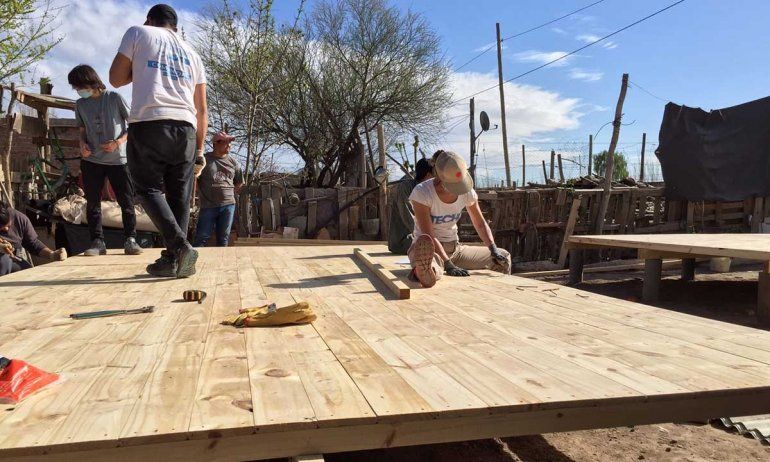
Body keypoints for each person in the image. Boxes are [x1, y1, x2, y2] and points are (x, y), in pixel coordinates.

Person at [109, 4, 208, 278]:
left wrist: (139, 70)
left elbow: (115, 79)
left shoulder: (139, 33)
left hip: (150, 121)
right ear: (175, 26)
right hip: (186, 128)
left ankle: (179, 246)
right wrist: (200, 150)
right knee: (180, 195)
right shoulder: (193, 53)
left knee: (147, 188)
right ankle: (172, 260)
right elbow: (202, 110)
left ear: (150, 20)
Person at [68, 64, 143, 257]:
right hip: (92, 160)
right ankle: (97, 241)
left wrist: (118, 142)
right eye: (75, 88)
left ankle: (130, 239)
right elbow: (82, 130)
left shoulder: (114, 98)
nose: (78, 91)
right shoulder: (80, 104)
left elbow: (133, 125)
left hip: (118, 160)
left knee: (126, 200)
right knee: (92, 202)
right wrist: (82, 145)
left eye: (79, 86)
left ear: (89, 82)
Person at [408, 150, 511, 288]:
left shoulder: (467, 191)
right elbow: (429, 235)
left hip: (455, 249)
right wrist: (448, 264)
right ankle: (422, 271)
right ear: (438, 175)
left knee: (504, 257)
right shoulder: (422, 193)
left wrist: (493, 249)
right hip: (427, 249)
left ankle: (500, 296)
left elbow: (480, 223)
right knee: (433, 269)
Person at [193, 131, 243, 247]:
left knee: (223, 238)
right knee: (202, 236)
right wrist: (199, 191)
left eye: (230, 143)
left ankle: (222, 262)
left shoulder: (233, 162)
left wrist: (228, 192)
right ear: (215, 144)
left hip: (228, 205)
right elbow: (194, 179)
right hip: (208, 205)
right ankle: (193, 262)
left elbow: (239, 182)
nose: (229, 145)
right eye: (226, 142)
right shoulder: (204, 160)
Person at [0, 202, 67, 276]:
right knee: (4, 260)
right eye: (1, 229)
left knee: (28, 271)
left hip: (11, 259)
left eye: (8, 226)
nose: (6, 229)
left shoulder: (20, 219)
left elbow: (32, 243)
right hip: (4, 262)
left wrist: (52, 255)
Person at [388, 158, 433, 255]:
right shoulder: (405, 188)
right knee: (435, 246)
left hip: (423, 236)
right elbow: (409, 219)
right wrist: (431, 237)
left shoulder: (429, 191)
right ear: (428, 175)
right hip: (404, 240)